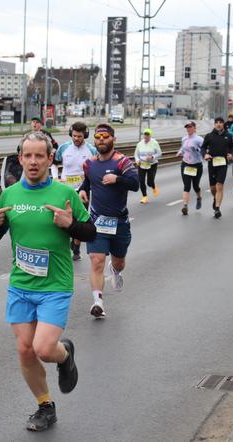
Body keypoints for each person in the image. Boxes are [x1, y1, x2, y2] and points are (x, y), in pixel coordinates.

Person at [0, 131, 95, 432]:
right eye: (27, 156)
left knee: (44, 349)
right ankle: (45, 406)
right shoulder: (10, 194)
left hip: (54, 286)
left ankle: (64, 353)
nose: (33, 162)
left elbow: (91, 232)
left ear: (50, 159)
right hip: (20, 285)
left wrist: (70, 224)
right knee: (25, 350)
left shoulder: (64, 194)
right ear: (20, 159)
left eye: (39, 156)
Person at [79, 124, 139, 317]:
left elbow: (136, 184)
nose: (101, 140)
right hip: (97, 221)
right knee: (96, 261)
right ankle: (98, 303)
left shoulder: (122, 162)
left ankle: (115, 269)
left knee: (119, 261)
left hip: (119, 222)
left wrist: (117, 179)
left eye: (105, 136)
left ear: (113, 139)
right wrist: (82, 190)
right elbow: (88, 182)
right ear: (94, 140)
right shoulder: (89, 163)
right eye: (98, 137)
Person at [55, 122, 96, 261]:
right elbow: (53, 163)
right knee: (63, 218)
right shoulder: (64, 148)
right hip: (64, 190)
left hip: (82, 190)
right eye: (74, 136)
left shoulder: (91, 150)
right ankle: (64, 246)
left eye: (79, 136)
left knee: (81, 221)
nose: (76, 138)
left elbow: (96, 167)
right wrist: (55, 178)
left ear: (85, 135)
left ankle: (76, 246)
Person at [202, 117, 233, 219]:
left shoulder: (228, 136)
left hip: (223, 164)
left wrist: (230, 154)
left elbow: (232, 147)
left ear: (223, 124)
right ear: (214, 124)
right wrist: (205, 155)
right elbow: (203, 147)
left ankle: (217, 208)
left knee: (219, 185)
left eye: (221, 123)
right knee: (212, 187)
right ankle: (215, 199)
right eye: (217, 123)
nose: (219, 124)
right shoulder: (209, 136)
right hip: (212, 163)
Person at [177, 121, 204, 215]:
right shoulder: (184, 138)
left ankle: (199, 198)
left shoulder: (199, 139)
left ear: (194, 128)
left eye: (190, 127)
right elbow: (183, 148)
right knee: (187, 186)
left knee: (195, 186)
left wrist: (196, 150)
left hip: (196, 165)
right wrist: (180, 152)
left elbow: (204, 151)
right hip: (186, 164)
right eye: (187, 127)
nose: (188, 129)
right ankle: (185, 206)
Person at [133, 128, 162, 204]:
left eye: (147, 134)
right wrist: (137, 160)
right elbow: (136, 154)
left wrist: (152, 157)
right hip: (142, 164)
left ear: (150, 135)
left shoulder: (154, 143)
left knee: (149, 182)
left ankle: (153, 186)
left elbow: (159, 153)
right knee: (141, 181)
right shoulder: (139, 144)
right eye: (145, 134)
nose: (146, 136)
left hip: (152, 164)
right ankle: (144, 197)